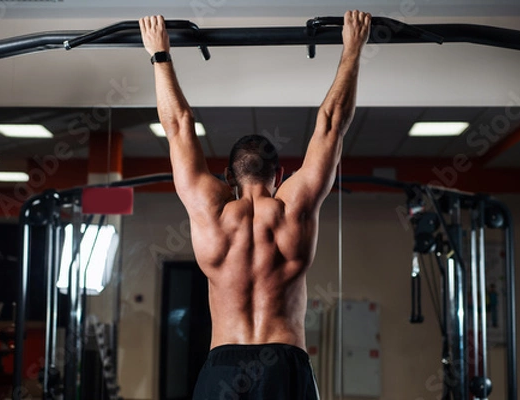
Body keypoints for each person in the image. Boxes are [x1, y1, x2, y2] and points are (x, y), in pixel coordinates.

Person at [140, 10, 371, 399]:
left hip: (223, 366)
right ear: (279, 176)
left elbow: (178, 123)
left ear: (228, 177)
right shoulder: (292, 210)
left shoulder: (211, 213)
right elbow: (330, 123)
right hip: (284, 363)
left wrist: (159, 54)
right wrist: (353, 48)